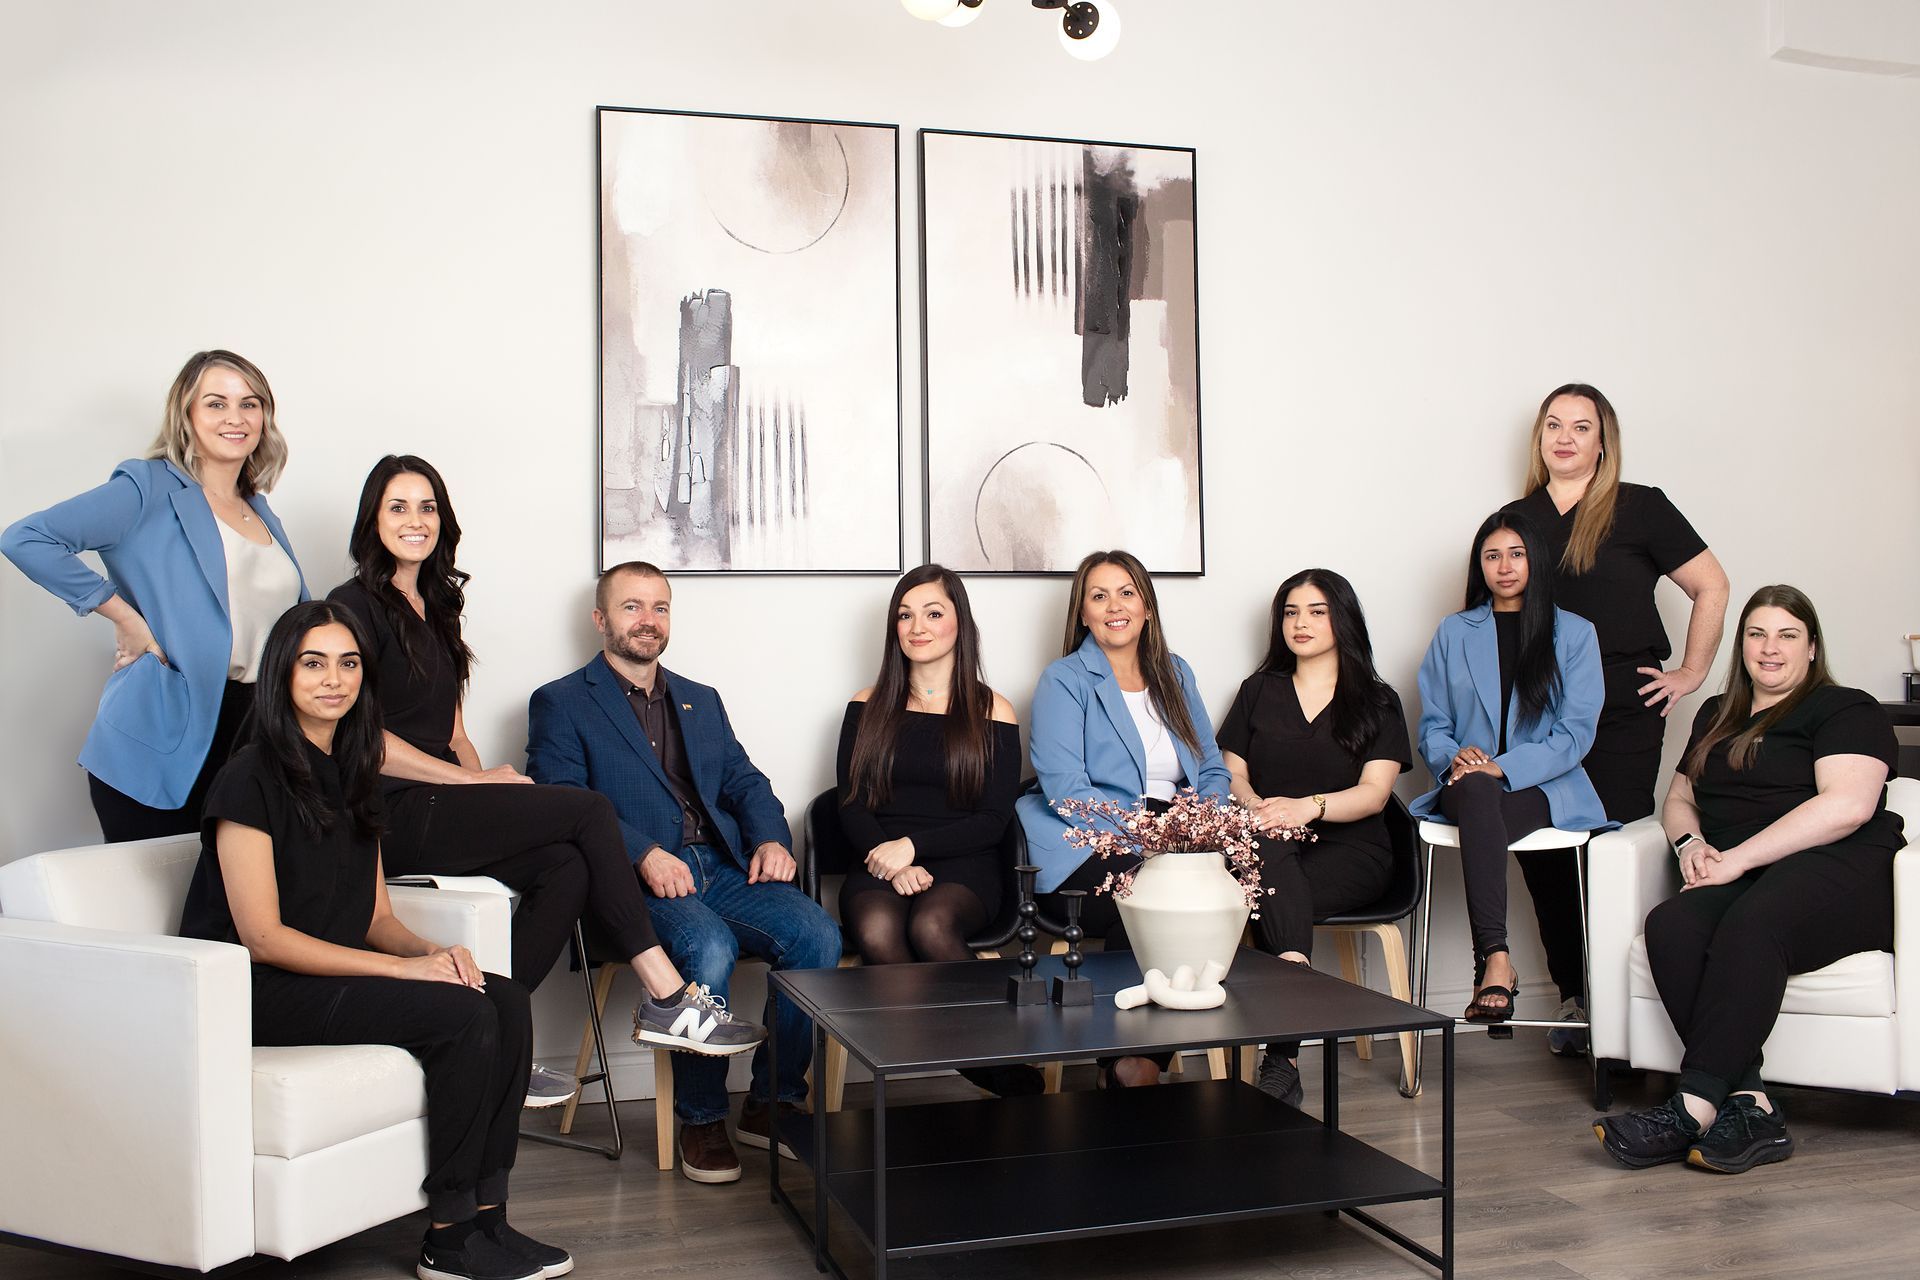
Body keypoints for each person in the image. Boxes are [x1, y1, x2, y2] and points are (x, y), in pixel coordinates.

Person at [328, 457, 761, 1111]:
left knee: (567, 866)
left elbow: (454, 733)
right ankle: (668, 996)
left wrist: (479, 780)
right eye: (398, 507)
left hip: (441, 795)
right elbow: (360, 739)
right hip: (387, 807)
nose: (415, 521)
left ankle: (494, 1031)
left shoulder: (438, 609)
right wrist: (473, 785)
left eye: (427, 508)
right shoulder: (350, 608)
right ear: (373, 518)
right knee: (584, 809)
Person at [178, 600, 570, 1280]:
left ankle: (489, 1220)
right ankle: (447, 1240)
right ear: (282, 674)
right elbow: (263, 938)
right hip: (257, 990)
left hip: (324, 977)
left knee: (500, 997)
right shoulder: (248, 778)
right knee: (462, 1014)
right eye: (313, 662)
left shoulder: (355, 773)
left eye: (349, 663)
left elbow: (375, 916)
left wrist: (429, 955)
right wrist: (401, 977)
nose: (334, 678)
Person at [526, 561, 841, 1185]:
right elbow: (560, 800)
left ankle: (771, 1101)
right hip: (628, 881)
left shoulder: (702, 699)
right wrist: (642, 851)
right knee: (709, 947)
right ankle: (700, 1117)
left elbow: (746, 782)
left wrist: (771, 839)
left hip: (719, 867)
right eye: (632, 607)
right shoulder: (560, 702)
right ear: (600, 619)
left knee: (818, 936)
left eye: (660, 607)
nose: (648, 620)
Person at [1596, 586, 1903, 1174]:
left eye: (1787, 635)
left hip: (1842, 868)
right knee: (1673, 924)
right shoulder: (1718, 714)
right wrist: (1690, 845)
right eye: (1757, 634)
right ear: (1742, 647)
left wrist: (1736, 859)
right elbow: (1680, 795)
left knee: (1754, 922)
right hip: (1749, 871)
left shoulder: (1845, 708)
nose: (1770, 648)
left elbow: (1849, 807)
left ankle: (1691, 1107)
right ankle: (1751, 1105)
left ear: (1812, 648)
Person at [1504, 383, 1730, 1050]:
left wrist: (1691, 672)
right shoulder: (1514, 520)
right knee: (1545, 856)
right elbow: (1490, 623)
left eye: (1582, 425)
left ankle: (1626, 1003)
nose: (1566, 437)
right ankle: (1580, 999)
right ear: (1540, 438)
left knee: (1610, 849)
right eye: (1554, 425)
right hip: (1537, 715)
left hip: (1622, 709)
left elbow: (1711, 584)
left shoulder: (1641, 509)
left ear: (1604, 441)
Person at [3, 350, 305, 841]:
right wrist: (125, 618)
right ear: (185, 415)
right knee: (158, 912)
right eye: (216, 403)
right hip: (163, 737)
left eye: (250, 403)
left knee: (228, 909)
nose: (236, 417)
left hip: (252, 735)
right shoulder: (148, 487)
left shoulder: (260, 510)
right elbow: (26, 538)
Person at [1017, 549, 1233, 1088]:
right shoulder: (1064, 679)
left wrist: (1195, 829)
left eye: (1126, 592)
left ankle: (1144, 1059)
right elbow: (1068, 790)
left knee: (1210, 898)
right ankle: (1128, 1059)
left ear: (1147, 607)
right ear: (1083, 614)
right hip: (1086, 842)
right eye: (1099, 595)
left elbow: (1210, 764)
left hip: (1176, 836)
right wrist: (1150, 835)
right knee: (1142, 901)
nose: (1114, 606)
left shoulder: (1175, 672)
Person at [836, 564, 1036, 1097]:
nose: (916, 626)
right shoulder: (866, 704)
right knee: (877, 929)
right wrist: (890, 856)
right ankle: (984, 1063)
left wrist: (914, 848)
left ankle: (969, 1054)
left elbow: (993, 820)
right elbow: (850, 804)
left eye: (932, 613)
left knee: (931, 924)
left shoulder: (994, 709)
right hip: (878, 859)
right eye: (905, 615)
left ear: (959, 624)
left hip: (965, 862)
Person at [1217, 568, 1411, 1104]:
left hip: (1353, 851)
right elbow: (1229, 774)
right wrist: (1258, 807)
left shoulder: (1377, 699)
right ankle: (1292, 1005)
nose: (1300, 623)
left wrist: (1307, 808)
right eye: (1291, 612)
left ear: (1342, 619)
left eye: (1317, 611)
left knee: (1264, 888)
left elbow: (1374, 794)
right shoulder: (1259, 690)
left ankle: (1279, 1053)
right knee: (1268, 855)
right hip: (1267, 844)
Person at [1411, 511, 1608, 1025]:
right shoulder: (1454, 632)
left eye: (1516, 554)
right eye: (1492, 555)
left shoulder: (1576, 634)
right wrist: (1454, 756)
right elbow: (1432, 724)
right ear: (1480, 565)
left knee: (1487, 795)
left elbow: (1576, 733)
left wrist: (1501, 767)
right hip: (1466, 786)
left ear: (1535, 561)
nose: (1504, 567)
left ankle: (1493, 966)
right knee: (1476, 792)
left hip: (1544, 786)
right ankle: (1497, 957)